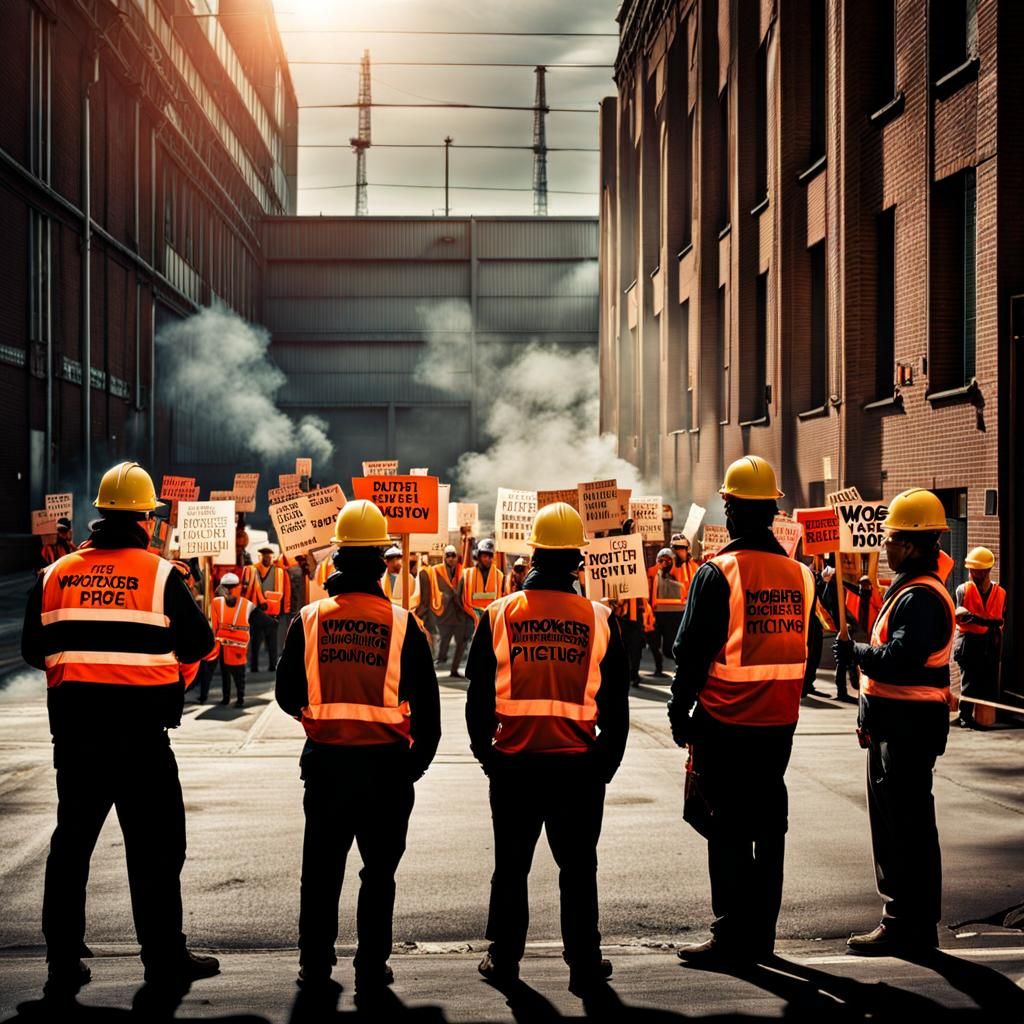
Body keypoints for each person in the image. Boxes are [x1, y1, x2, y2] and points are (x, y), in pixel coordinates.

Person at [21, 461, 219, 993]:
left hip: (78, 739)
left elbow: (33, 651)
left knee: (71, 848)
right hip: (142, 741)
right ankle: (162, 958)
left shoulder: (55, 574)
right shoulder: (160, 575)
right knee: (156, 849)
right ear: (146, 520)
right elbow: (202, 645)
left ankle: (62, 961)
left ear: (100, 516)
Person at [275, 499, 441, 992]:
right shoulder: (402, 623)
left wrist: (318, 714)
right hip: (387, 770)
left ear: (338, 560)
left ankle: (315, 965)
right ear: (381, 564)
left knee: (321, 875)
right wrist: (412, 769)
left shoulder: (309, 619)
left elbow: (287, 695)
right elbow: (429, 715)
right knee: (379, 875)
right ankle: (371, 965)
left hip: (326, 768)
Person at [466, 502, 629, 997]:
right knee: (579, 868)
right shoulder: (599, 618)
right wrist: (605, 763)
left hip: (514, 766)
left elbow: (477, 698)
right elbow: (615, 705)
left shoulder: (498, 614)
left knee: (511, 867)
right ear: (578, 560)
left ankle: (504, 957)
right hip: (578, 768)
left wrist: (486, 754)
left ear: (534, 552)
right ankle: (583, 960)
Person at [669, 455, 818, 964]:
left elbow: (689, 655)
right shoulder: (801, 576)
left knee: (728, 827)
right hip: (778, 726)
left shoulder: (718, 573)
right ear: (772, 512)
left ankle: (732, 935)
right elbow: (809, 650)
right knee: (769, 826)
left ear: (730, 511)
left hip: (724, 723)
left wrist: (678, 714)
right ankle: (763, 936)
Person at [833, 488, 956, 956]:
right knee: (904, 826)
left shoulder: (921, 596)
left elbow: (900, 660)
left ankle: (907, 922)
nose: (884, 547)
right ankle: (910, 921)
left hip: (907, 731)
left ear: (912, 543)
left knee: (903, 829)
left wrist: (857, 653)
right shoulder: (911, 590)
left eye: (892, 540)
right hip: (898, 726)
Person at [953, 546, 1006, 729]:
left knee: (987, 682)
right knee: (969, 682)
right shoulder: (963, 590)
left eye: (975, 569)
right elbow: (961, 616)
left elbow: (999, 620)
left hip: (989, 642)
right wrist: (985, 621)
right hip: (969, 642)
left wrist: (975, 618)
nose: (971, 572)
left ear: (986, 570)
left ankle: (985, 718)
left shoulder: (1000, 593)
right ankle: (965, 718)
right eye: (971, 568)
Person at [421, 545, 471, 678]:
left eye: (453, 555)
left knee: (461, 643)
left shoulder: (463, 572)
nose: (451, 558)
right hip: (443, 614)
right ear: (444, 557)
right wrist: (444, 597)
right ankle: (437, 664)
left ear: (457, 557)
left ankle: (454, 669)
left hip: (459, 614)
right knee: (443, 641)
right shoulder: (436, 571)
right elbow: (432, 589)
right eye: (448, 555)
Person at [242, 546, 290, 672]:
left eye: (268, 557)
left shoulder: (279, 572)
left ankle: (273, 665)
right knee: (255, 642)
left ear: (272, 557)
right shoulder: (253, 570)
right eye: (264, 556)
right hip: (257, 613)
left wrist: (285, 609)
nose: (267, 559)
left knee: (272, 643)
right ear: (260, 557)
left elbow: (286, 590)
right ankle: (254, 666)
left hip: (272, 613)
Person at [210, 573, 253, 707]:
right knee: (228, 674)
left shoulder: (244, 604)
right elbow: (215, 625)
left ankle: (237, 698)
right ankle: (230, 697)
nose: (229, 589)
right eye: (227, 587)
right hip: (225, 645)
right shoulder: (219, 603)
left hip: (236, 645)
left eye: (231, 586)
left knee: (237, 673)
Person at [647, 548, 683, 678]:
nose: (664, 563)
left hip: (673, 614)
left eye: (667, 560)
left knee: (669, 649)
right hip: (656, 613)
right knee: (653, 643)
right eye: (661, 560)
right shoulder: (652, 573)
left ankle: (682, 667)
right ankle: (659, 668)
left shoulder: (679, 572)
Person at [460, 538, 503, 623]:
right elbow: (460, 599)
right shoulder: (467, 574)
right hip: (470, 619)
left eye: (490, 556)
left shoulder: (500, 576)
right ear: (478, 556)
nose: (487, 559)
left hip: (492, 618)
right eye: (484, 556)